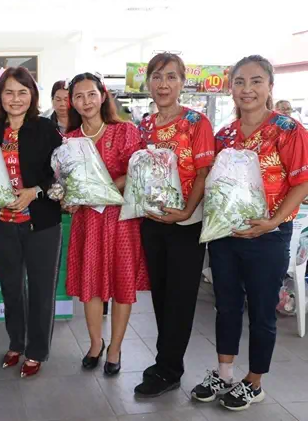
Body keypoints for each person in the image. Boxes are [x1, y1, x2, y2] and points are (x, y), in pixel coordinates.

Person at [191, 55, 308, 411]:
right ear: (231, 88)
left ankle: (254, 381)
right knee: (226, 305)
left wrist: (273, 222)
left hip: (268, 237)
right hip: (225, 235)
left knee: (261, 311)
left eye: (256, 81)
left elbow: (302, 182)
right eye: (240, 82)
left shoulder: (288, 130)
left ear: (270, 86)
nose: (247, 89)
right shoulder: (224, 135)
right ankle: (224, 373)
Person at [133, 53, 215, 397]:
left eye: (170, 77)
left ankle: (169, 369)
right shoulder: (145, 125)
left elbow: (203, 172)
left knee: (180, 298)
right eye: (156, 77)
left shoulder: (197, 122)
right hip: (152, 221)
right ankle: (164, 362)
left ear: (182, 83)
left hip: (186, 223)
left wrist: (185, 212)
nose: (163, 84)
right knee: (162, 295)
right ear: (148, 83)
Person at [63, 72, 149, 376]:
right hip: (87, 221)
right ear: (72, 102)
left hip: (121, 220)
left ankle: (115, 348)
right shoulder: (69, 140)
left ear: (102, 96)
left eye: (91, 94)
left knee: (122, 283)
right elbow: (65, 183)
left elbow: (137, 170)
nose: (85, 101)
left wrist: (104, 189)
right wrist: (68, 198)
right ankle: (95, 344)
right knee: (91, 285)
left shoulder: (125, 131)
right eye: (78, 96)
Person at [0, 67, 63, 378]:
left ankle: (36, 351)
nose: (15, 99)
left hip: (41, 224)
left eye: (22, 92)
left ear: (32, 96)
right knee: (11, 288)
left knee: (41, 290)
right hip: (3, 223)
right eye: (9, 92)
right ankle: (16, 342)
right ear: (0, 96)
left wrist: (34, 191)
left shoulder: (46, 129)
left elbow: (61, 173)